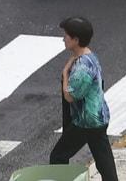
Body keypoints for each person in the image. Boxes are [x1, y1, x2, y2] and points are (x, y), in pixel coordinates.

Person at [51, 16, 119, 181]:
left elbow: (70, 96)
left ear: (75, 39)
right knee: (104, 161)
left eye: (66, 36)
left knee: (58, 156)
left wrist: (65, 73)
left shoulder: (82, 67)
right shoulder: (90, 57)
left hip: (86, 121)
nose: (63, 39)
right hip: (98, 117)